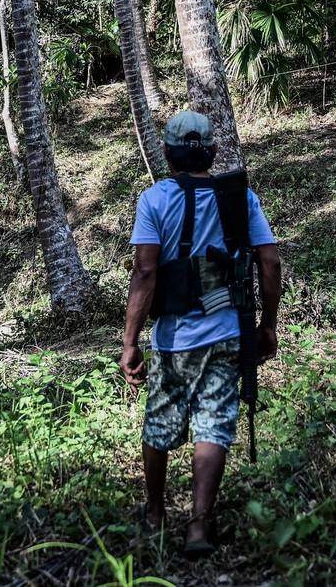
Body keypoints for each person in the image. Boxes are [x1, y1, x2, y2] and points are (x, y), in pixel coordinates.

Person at [121, 110, 283, 557]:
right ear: (212, 152)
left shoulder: (153, 200)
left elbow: (145, 271)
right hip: (229, 332)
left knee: (159, 426)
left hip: (174, 339)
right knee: (214, 425)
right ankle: (198, 525)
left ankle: (154, 513)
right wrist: (266, 325)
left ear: (169, 154)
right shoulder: (240, 197)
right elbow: (270, 262)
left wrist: (130, 341)